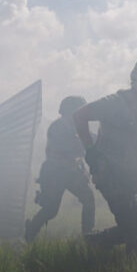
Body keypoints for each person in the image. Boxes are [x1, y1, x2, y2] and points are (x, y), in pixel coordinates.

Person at [73, 57, 137, 259]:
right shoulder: (116, 103)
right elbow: (80, 116)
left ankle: (94, 242)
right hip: (111, 173)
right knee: (136, 226)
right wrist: (90, 149)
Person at [24, 96, 95, 242]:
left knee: (89, 200)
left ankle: (88, 236)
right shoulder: (58, 127)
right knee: (51, 210)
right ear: (71, 111)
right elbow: (71, 147)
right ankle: (30, 231)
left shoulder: (77, 126)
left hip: (71, 172)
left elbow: (90, 140)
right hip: (54, 173)